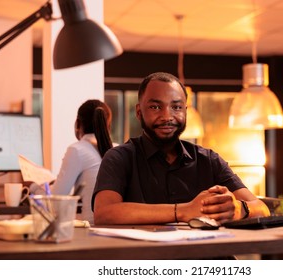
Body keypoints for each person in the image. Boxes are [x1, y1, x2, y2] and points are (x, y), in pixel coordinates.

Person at [92, 72, 270, 225]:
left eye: (176, 107)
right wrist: (183, 211)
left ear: (185, 112)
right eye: (155, 107)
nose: (167, 116)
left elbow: (261, 208)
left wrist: (239, 209)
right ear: (139, 112)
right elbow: (104, 213)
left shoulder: (208, 159)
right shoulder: (119, 157)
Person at [31, 99, 114, 225]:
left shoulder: (77, 150)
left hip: (89, 230)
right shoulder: (117, 150)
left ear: (77, 124)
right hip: (115, 230)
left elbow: (55, 201)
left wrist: (33, 187)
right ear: (108, 125)